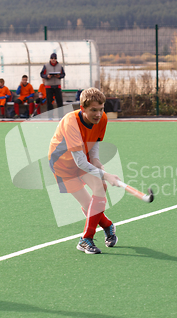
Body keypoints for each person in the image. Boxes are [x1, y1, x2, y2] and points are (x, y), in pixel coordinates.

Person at [48, 87, 120, 254]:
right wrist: (106, 174)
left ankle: (86, 239)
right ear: (82, 108)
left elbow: (94, 142)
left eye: (101, 109)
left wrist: (96, 161)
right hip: (63, 165)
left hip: (82, 158)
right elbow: (79, 162)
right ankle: (108, 226)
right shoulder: (70, 122)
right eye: (93, 110)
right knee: (88, 206)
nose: (98, 114)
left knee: (100, 188)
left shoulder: (102, 119)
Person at [40, 52, 65, 118]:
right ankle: (50, 116)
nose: (53, 60)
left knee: (59, 102)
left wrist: (59, 76)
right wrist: (47, 76)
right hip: (49, 86)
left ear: (56, 59)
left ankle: (60, 116)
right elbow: (42, 74)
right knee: (49, 102)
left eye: (54, 58)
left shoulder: (60, 66)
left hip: (57, 86)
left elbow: (63, 74)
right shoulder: (46, 66)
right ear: (50, 59)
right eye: (52, 58)